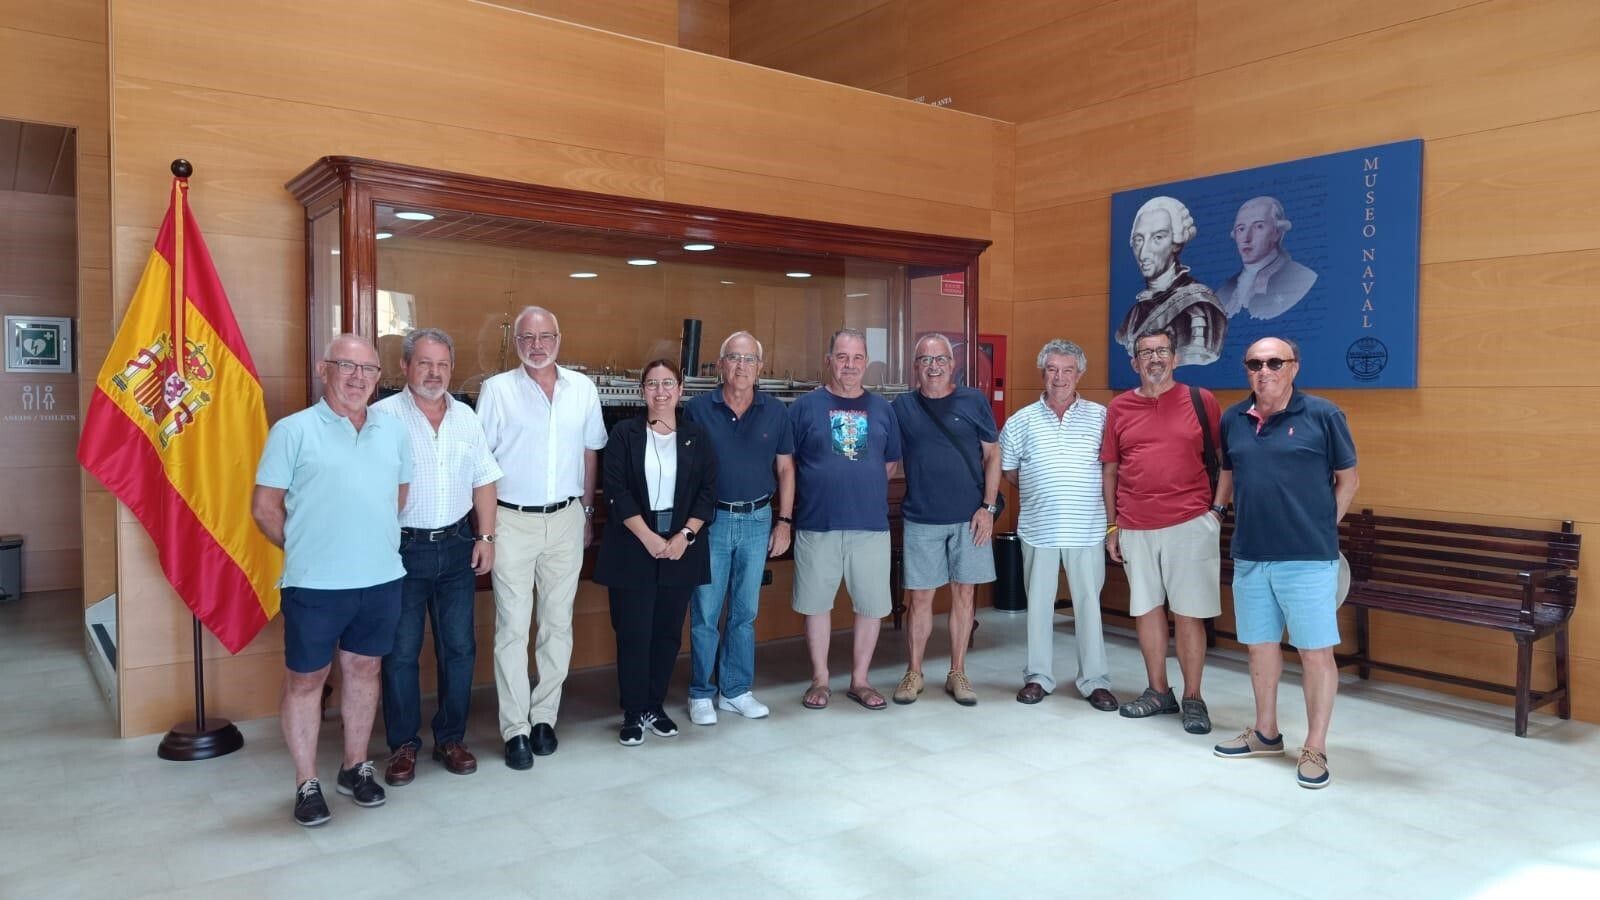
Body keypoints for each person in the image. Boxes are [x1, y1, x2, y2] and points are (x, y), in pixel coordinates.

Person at [252, 334, 411, 827]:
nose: (358, 378)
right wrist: (309, 546)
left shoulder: (392, 431)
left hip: (381, 579)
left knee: (365, 671)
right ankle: (306, 782)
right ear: (326, 370)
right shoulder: (292, 431)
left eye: (369, 370)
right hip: (314, 585)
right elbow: (264, 508)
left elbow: (398, 498)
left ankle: (354, 767)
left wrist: (362, 542)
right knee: (307, 680)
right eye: (348, 366)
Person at [1212, 337, 1358, 790]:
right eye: (1255, 363)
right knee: (1260, 646)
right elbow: (1230, 472)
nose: (1265, 371)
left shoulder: (1324, 415)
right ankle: (1266, 732)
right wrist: (1218, 512)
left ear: (1294, 367)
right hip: (1251, 555)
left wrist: (1320, 527)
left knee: (1315, 653)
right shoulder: (1232, 419)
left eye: (1275, 362)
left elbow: (1348, 480)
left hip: (1308, 559)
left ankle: (1315, 746)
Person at [475, 306, 607, 770]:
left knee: (557, 624)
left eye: (545, 335)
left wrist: (587, 512)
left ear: (559, 337)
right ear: (515, 342)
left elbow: (590, 454)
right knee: (512, 627)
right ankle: (514, 728)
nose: (537, 344)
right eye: (527, 337)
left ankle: (544, 717)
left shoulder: (583, 390)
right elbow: (482, 466)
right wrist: (486, 532)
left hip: (567, 519)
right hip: (512, 521)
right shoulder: (496, 391)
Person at [371, 328, 502, 785]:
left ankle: (451, 738)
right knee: (401, 653)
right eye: (424, 363)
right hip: (401, 549)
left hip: (455, 547)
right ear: (405, 366)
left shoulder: (466, 417)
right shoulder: (381, 417)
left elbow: (485, 478)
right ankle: (403, 745)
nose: (434, 372)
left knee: (459, 649)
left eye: (442, 364)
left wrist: (486, 536)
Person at [1101, 328, 1222, 734]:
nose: (1154, 358)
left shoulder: (1200, 401)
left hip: (1190, 522)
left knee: (1189, 614)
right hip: (1135, 524)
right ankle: (1158, 691)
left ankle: (1193, 697)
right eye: (1145, 352)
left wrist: (1216, 512)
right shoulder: (1119, 408)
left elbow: (1227, 461)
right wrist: (1113, 524)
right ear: (1134, 362)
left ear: (1175, 358)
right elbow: (1111, 468)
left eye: (1162, 351)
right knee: (1147, 611)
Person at [594, 359, 718, 745]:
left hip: (681, 548)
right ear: (641, 391)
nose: (660, 391)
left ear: (681, 391)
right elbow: (615, 490)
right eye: (652, 384)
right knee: (633, 633)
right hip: (634, 546)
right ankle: (633, 712)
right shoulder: (623, 434)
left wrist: (685, 536)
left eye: (668, 384)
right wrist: (648, 537)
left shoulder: (697, 437)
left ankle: (654, 706)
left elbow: (707, 494)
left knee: (666, 634)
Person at [682, 331, 795, 726]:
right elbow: (687, 470)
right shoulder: (698, 409)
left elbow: (785, 469)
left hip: (758, 518)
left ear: (760, 368)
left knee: (745, 613)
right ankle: (700, 692)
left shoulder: (776, 412)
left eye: (749, 360)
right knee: (705, 612)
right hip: (711, 521)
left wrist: (784, 520)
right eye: (734, 358)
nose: (742, 366)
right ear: (720, 364)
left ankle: (736, 690)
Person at [999, 339, 1117, 711]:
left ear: (1080, 374)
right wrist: (1043, 488)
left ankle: (1095, 680)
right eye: (1052, 369)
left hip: (1087, 530)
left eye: (1068, 370)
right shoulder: (1021, 420)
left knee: (1088, 605)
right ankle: (1038, 676)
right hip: (1039, 528)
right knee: (1038, 604)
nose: (1060, 377)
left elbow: (1112, 469)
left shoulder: (1101, 417)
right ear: (1043, 373)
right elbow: (1010, 470)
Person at [789, 328, 902, 711]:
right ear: (829, 360)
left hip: (869, 525)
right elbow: (789, 464)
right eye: (842, 357)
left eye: (857, 358)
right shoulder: (804, 408)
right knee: (817, 604)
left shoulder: (883, 409)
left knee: (870, 605)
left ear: (866, 362)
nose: (849, 365)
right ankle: (820, 680)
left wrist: (857, 483)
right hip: (817, 522)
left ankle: (860, 680)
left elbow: (889, 462)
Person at [890, 334, 1000, 706]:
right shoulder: (902, 407)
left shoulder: (974, 401)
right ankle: (914, 672)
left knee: (964, 594)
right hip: (922, 517)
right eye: (925, 360)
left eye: (940, 360)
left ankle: (958, 671)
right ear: (915, 367)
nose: (933, 366)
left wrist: (988, 507)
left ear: (953, 365)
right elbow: (888, 458)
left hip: (970, 518)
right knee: (920, 598)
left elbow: (992, 456)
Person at [1112, 195, 1228, 367]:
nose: (1143, 253)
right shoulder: (1134, 313)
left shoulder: (1198, 307)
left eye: (1157, 238)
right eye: (1138, 240)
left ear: (1176, 243)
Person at [1217, 196, 1318, 320]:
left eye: (1258, 226)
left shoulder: (1302, 278)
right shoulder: (1225, 291)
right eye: (1241, 229)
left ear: (1277, 233)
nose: (1247, 238)